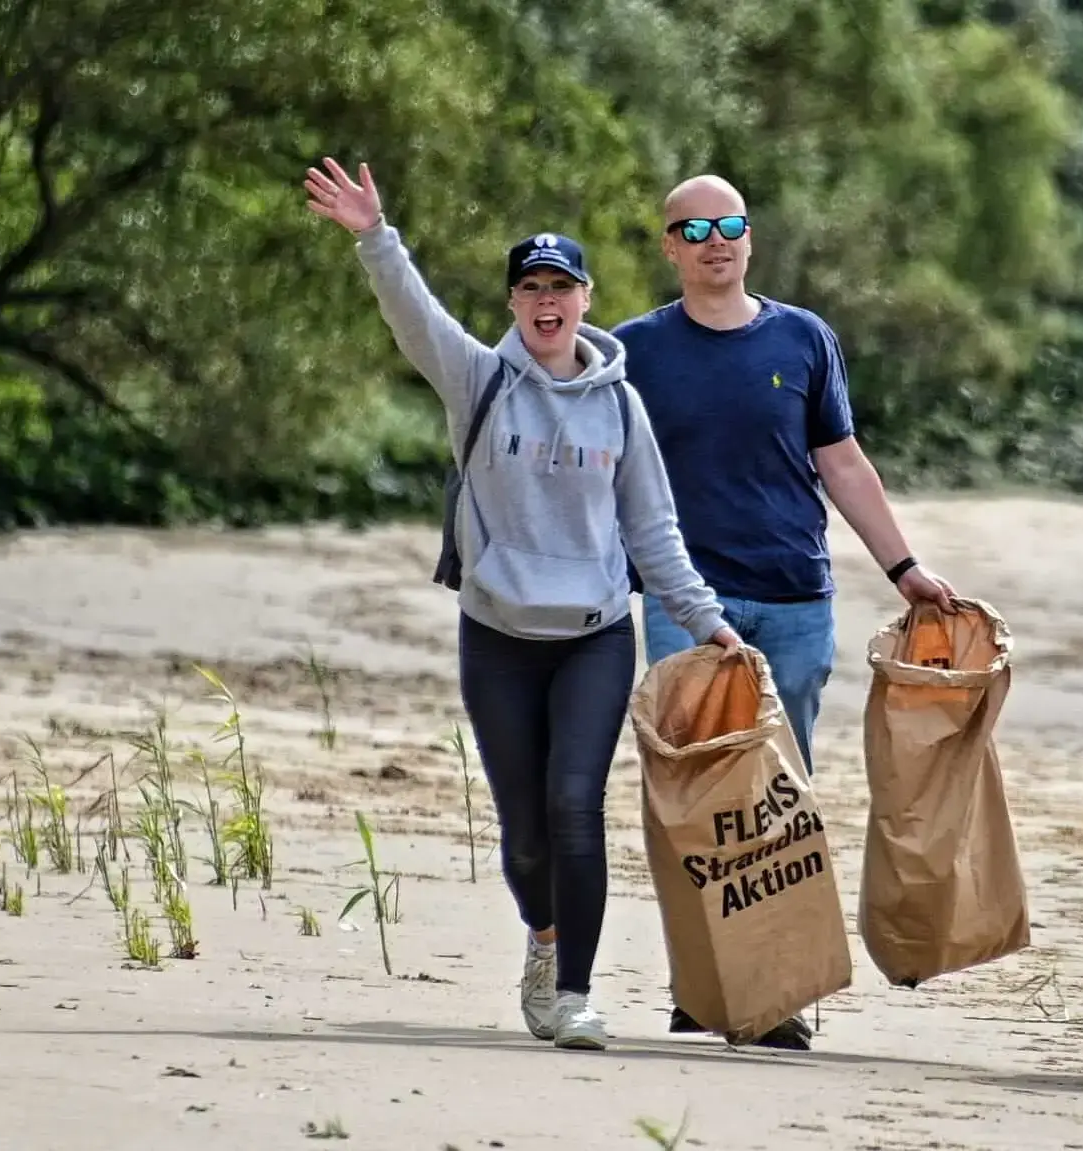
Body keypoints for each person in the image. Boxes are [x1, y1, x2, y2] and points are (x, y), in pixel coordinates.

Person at [304, 156, 741, 1053]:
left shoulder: (620, 406)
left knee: (576, 805)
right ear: (513, 303)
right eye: (530, 288)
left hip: (592, 635)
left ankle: (574, 992)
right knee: (527, 829)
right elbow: (412, 317)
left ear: (584, 300)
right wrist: (373, 238)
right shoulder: (479, 380)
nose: (547, 302)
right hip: (498, 633)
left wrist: (708, 623)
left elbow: (652, 532)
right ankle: (542, 943)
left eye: (562, 288)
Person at [612, 174, 959, 1050]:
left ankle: (777, 991)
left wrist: (903, 565)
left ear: (750, 237)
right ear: (670, 246)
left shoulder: (803, 338)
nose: (714, 241)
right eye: (694, 229)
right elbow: (592, 466)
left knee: (777, 804)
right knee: (688, 798)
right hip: (686, 602)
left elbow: (841, 463)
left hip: (795, 597)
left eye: (729, 225)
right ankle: (702, 984)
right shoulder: (632, 351)